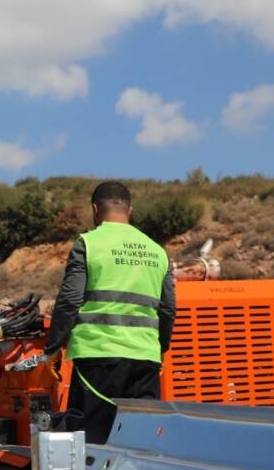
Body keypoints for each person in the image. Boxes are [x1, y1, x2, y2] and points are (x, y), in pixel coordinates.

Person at [44, 181, 175, 445]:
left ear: (95, 209)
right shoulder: (156, 250)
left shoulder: (89, 244)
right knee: (141, 441)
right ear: (130, 210)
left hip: (98, 358)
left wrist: (54, 346)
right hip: (145, 361)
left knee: (93, 440)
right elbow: (167, 309)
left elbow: (70, 300)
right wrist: (159, 349)